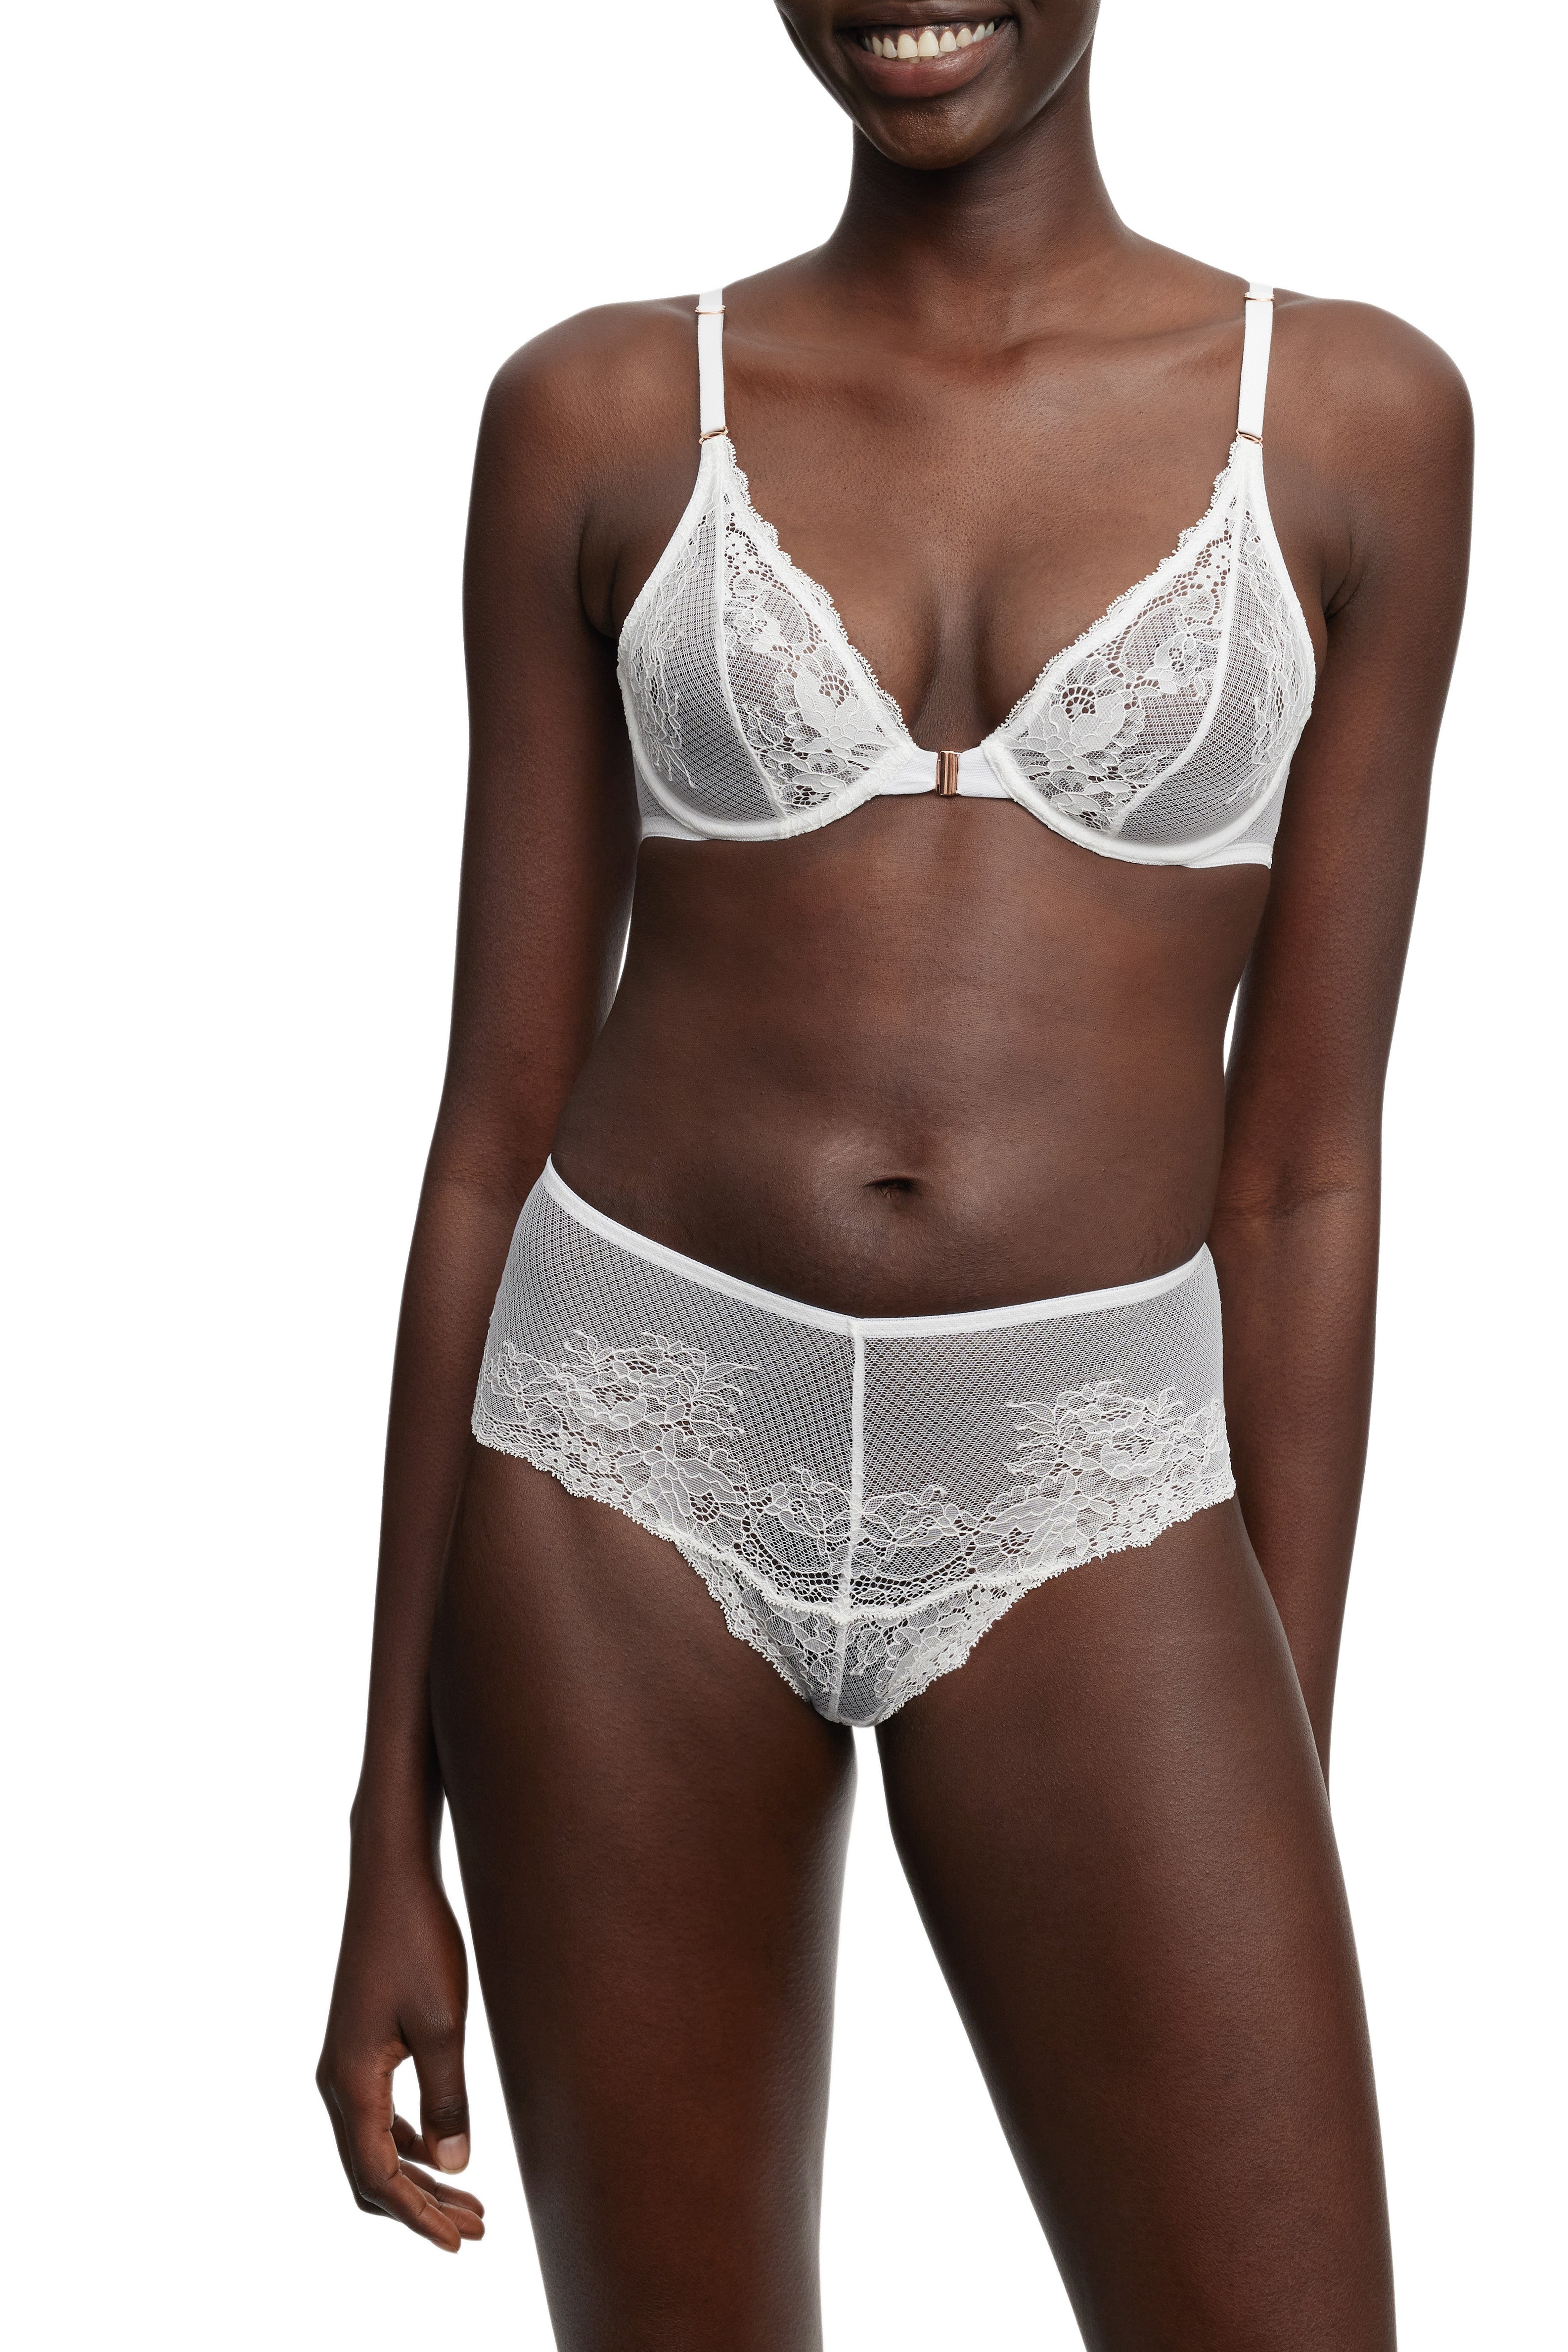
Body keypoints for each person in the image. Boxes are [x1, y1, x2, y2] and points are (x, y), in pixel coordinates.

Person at [316, 5, 1472, 2345]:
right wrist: (381, 1825)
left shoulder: (1355, 420)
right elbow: (487, 1129)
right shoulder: (600, 411)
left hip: (1084, 1469)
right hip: (624, 1448)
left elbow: (1302, 1173)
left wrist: (1270, 1768)